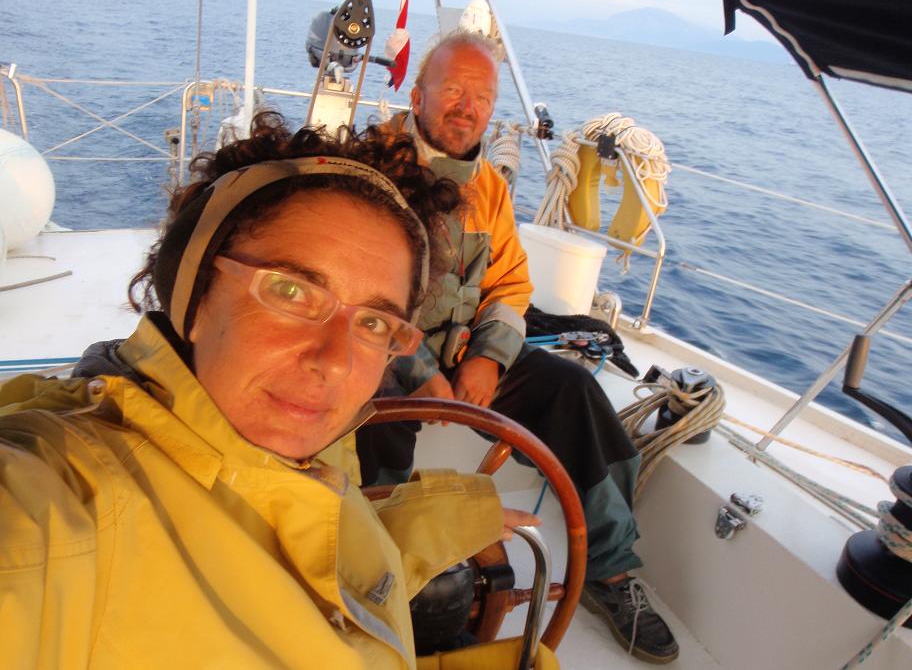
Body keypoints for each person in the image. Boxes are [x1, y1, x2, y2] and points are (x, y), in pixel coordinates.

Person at [0, 113, 539, 669]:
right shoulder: (57, 499)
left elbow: (292, 561)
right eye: (291, 291)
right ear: (195, 295)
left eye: (375, 322)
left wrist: (447, 517)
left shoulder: (313, 454)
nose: (335, 362)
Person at [355, 33, 679, 664]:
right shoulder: (373, 170)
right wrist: (418, 370)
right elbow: (363, 293)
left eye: (482, 96)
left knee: (573, 390)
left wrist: (488, 358)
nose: (467, 107)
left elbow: (509, 286)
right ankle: (380, 566)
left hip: (465, 350)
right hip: (382, 350)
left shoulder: (489, 188)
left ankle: (610, 569)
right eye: (453, 90)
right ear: (417, 97)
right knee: (374, 415)